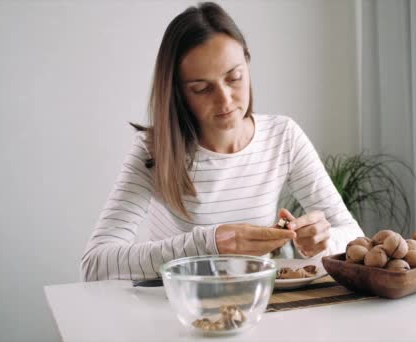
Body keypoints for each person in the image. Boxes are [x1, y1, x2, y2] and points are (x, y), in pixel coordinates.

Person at [81, 2, 363, 281]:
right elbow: (96, 263)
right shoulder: (153, 149)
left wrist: (321, 240)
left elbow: (353, 236)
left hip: (255, 306)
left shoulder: (283, 136)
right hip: (177, 309)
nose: (225, 100)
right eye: (202, 89)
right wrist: (209, 244)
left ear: (248, 63)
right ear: (178, 92)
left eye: (234, 77)